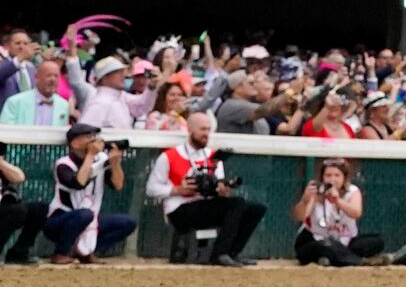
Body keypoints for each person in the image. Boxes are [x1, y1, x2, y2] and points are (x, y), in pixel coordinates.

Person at [154, 110, 264, 264]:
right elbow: (152, 188)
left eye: (208, 129)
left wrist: (222, 189)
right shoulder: (170, 156)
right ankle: (220, 254)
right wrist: (177, 190)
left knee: (256, 209)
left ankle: (233, 252)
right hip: (179, 208)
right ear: (190, 130)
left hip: (205, 204)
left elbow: (217, 186)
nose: (206, 133)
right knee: (237, 203)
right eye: (202, 129)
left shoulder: (212, 157)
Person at [44, 120, 134, 262]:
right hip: (61, 220)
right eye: (87, 136)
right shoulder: (63, 164)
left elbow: (118, 185)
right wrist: (90, 156)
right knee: (84, 215)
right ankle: (61, 253)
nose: (93, 139)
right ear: (74, 143)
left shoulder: (101, 159)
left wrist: (115, 164)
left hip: (90, 220)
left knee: (127, 222)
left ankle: (87, 252)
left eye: (93, 136)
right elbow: (78, 183)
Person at [291, 157, 383, 265]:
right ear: (322, 177)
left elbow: (356, 213)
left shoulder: (352, 191)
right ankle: (357, 261)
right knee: (325, 246)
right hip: (317, 239)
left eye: (337, 175)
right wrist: (305, 200)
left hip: (344, 239)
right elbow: (300, 216)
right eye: (328, 175)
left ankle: (332, 258)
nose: (332, 179)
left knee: (376, 242)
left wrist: (337, 201)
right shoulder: (315, 192)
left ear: (344, 178)